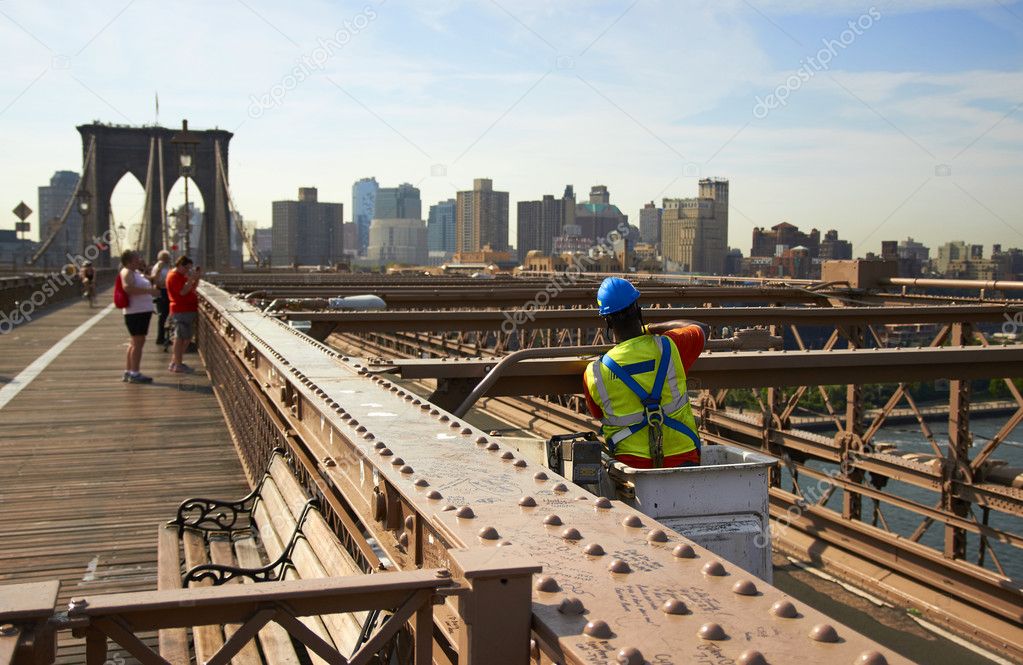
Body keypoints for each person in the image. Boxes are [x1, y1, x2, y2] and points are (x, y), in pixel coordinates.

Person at [583, 277, 705, 469]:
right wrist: (648, 328)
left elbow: (598, 413)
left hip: (632, 468)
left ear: (607, 321)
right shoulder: (669, 346)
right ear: (638, 310)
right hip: (684, 459)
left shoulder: (594, 372)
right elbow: (701, 329)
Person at [120, 250, 160, 383]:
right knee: (138, 343)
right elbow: (128, 288)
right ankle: (135, 373)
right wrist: (150, 291)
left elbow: (153, 280)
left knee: (134, 342)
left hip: (141, 311)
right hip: (135, 313)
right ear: (130, 261)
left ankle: (129, 371)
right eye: (137, 259)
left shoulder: (135, 272)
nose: (140, 260)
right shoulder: (127, 272)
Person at [165, 255, 202, 374]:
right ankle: (178, 364)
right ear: (180, 265)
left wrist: (195, 279)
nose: (188, 271)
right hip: (181, 310)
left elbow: (191, 289)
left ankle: (175, 362)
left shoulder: (181, 276)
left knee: (185, 337)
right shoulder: (174, 276)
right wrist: (191, 279)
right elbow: (182, 292)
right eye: (187, 268)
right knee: (180, 337)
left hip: (187, 310)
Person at [151, 250, 172, 348]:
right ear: (162, 258)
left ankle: (163, 337)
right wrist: (165, 284)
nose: (169, 259)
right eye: (167, 257)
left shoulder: (165, 266)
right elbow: (156, 281)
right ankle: (160, 338)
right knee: (163, 315)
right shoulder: (159, 267)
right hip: (162, 292)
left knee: (165, 315)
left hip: (165, 292)